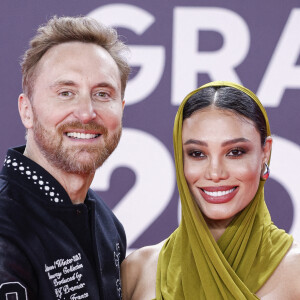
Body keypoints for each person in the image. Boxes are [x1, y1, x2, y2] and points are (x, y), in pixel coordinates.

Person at [121, 81, 300, 300]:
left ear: (265, 152)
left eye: (235, 152)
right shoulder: (137, 271)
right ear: (180, 157)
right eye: (197, 153)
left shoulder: (296, 270)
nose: (215, 173)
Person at [0, 15, 130, 299]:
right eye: (66, 92)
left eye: (102, 94)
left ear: (121, 109)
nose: (86, 112)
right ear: (27, 111)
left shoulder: (107, 224)